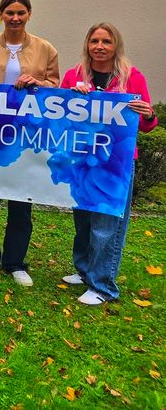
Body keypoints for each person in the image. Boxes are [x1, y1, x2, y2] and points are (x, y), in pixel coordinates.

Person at [60, 23, 157, 305]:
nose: (99, 46)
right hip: (83, 157)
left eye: (106, 41)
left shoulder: (132, 77)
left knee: (107, 223)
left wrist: (148, 114)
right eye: (94, 41)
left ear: (116, 46)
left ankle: (103, 286)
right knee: (84, 218)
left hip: (116, 162)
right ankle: (84, 268)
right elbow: (59, 115)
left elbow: (148, 123)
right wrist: (70, 98)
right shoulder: (74, 75)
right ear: (87, 45)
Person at [0, 0, 59, 287]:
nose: (15, 18)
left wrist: (40, 83)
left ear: (29, 14)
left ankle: (15, 262)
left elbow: (56, 88)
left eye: (21, 12)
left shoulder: (46, 49)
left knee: (22, 200)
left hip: (26, 135)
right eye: (10, 13)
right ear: (1, 14)